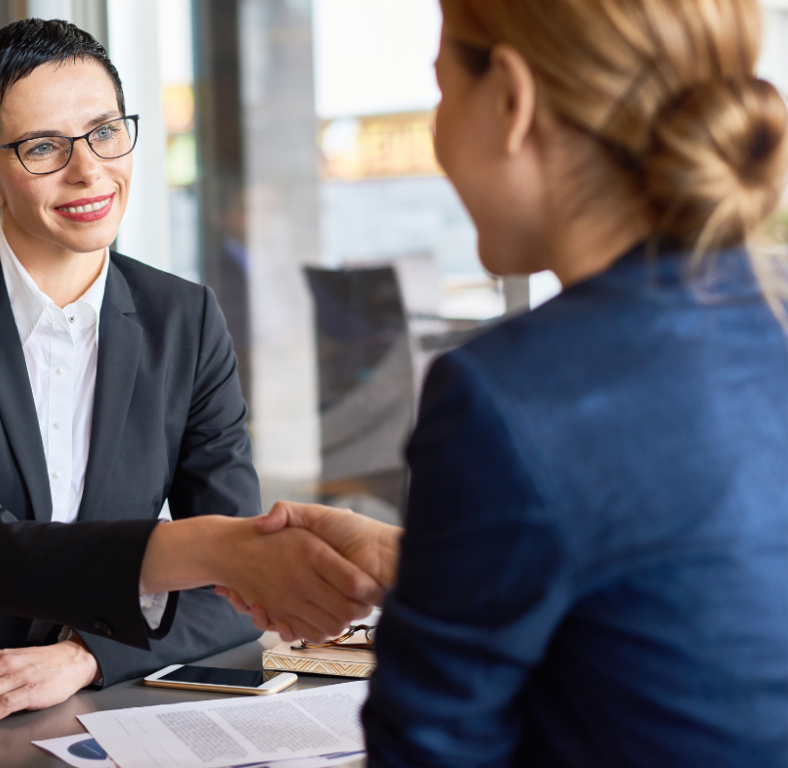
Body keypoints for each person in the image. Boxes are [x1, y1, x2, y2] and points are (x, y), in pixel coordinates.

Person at [0, 19, 382, 727]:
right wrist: (221, 549)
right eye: (41, 147)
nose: (88, 171)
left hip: (70, 704)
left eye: (105, 132)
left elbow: (232, 595)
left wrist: (85, 655)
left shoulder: (185, 318)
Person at [232, 0, 788, 765]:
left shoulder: (506, 397)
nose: (438, 138)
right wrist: (428, 567)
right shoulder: (764, 322)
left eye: (442, 91)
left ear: (510, 99)